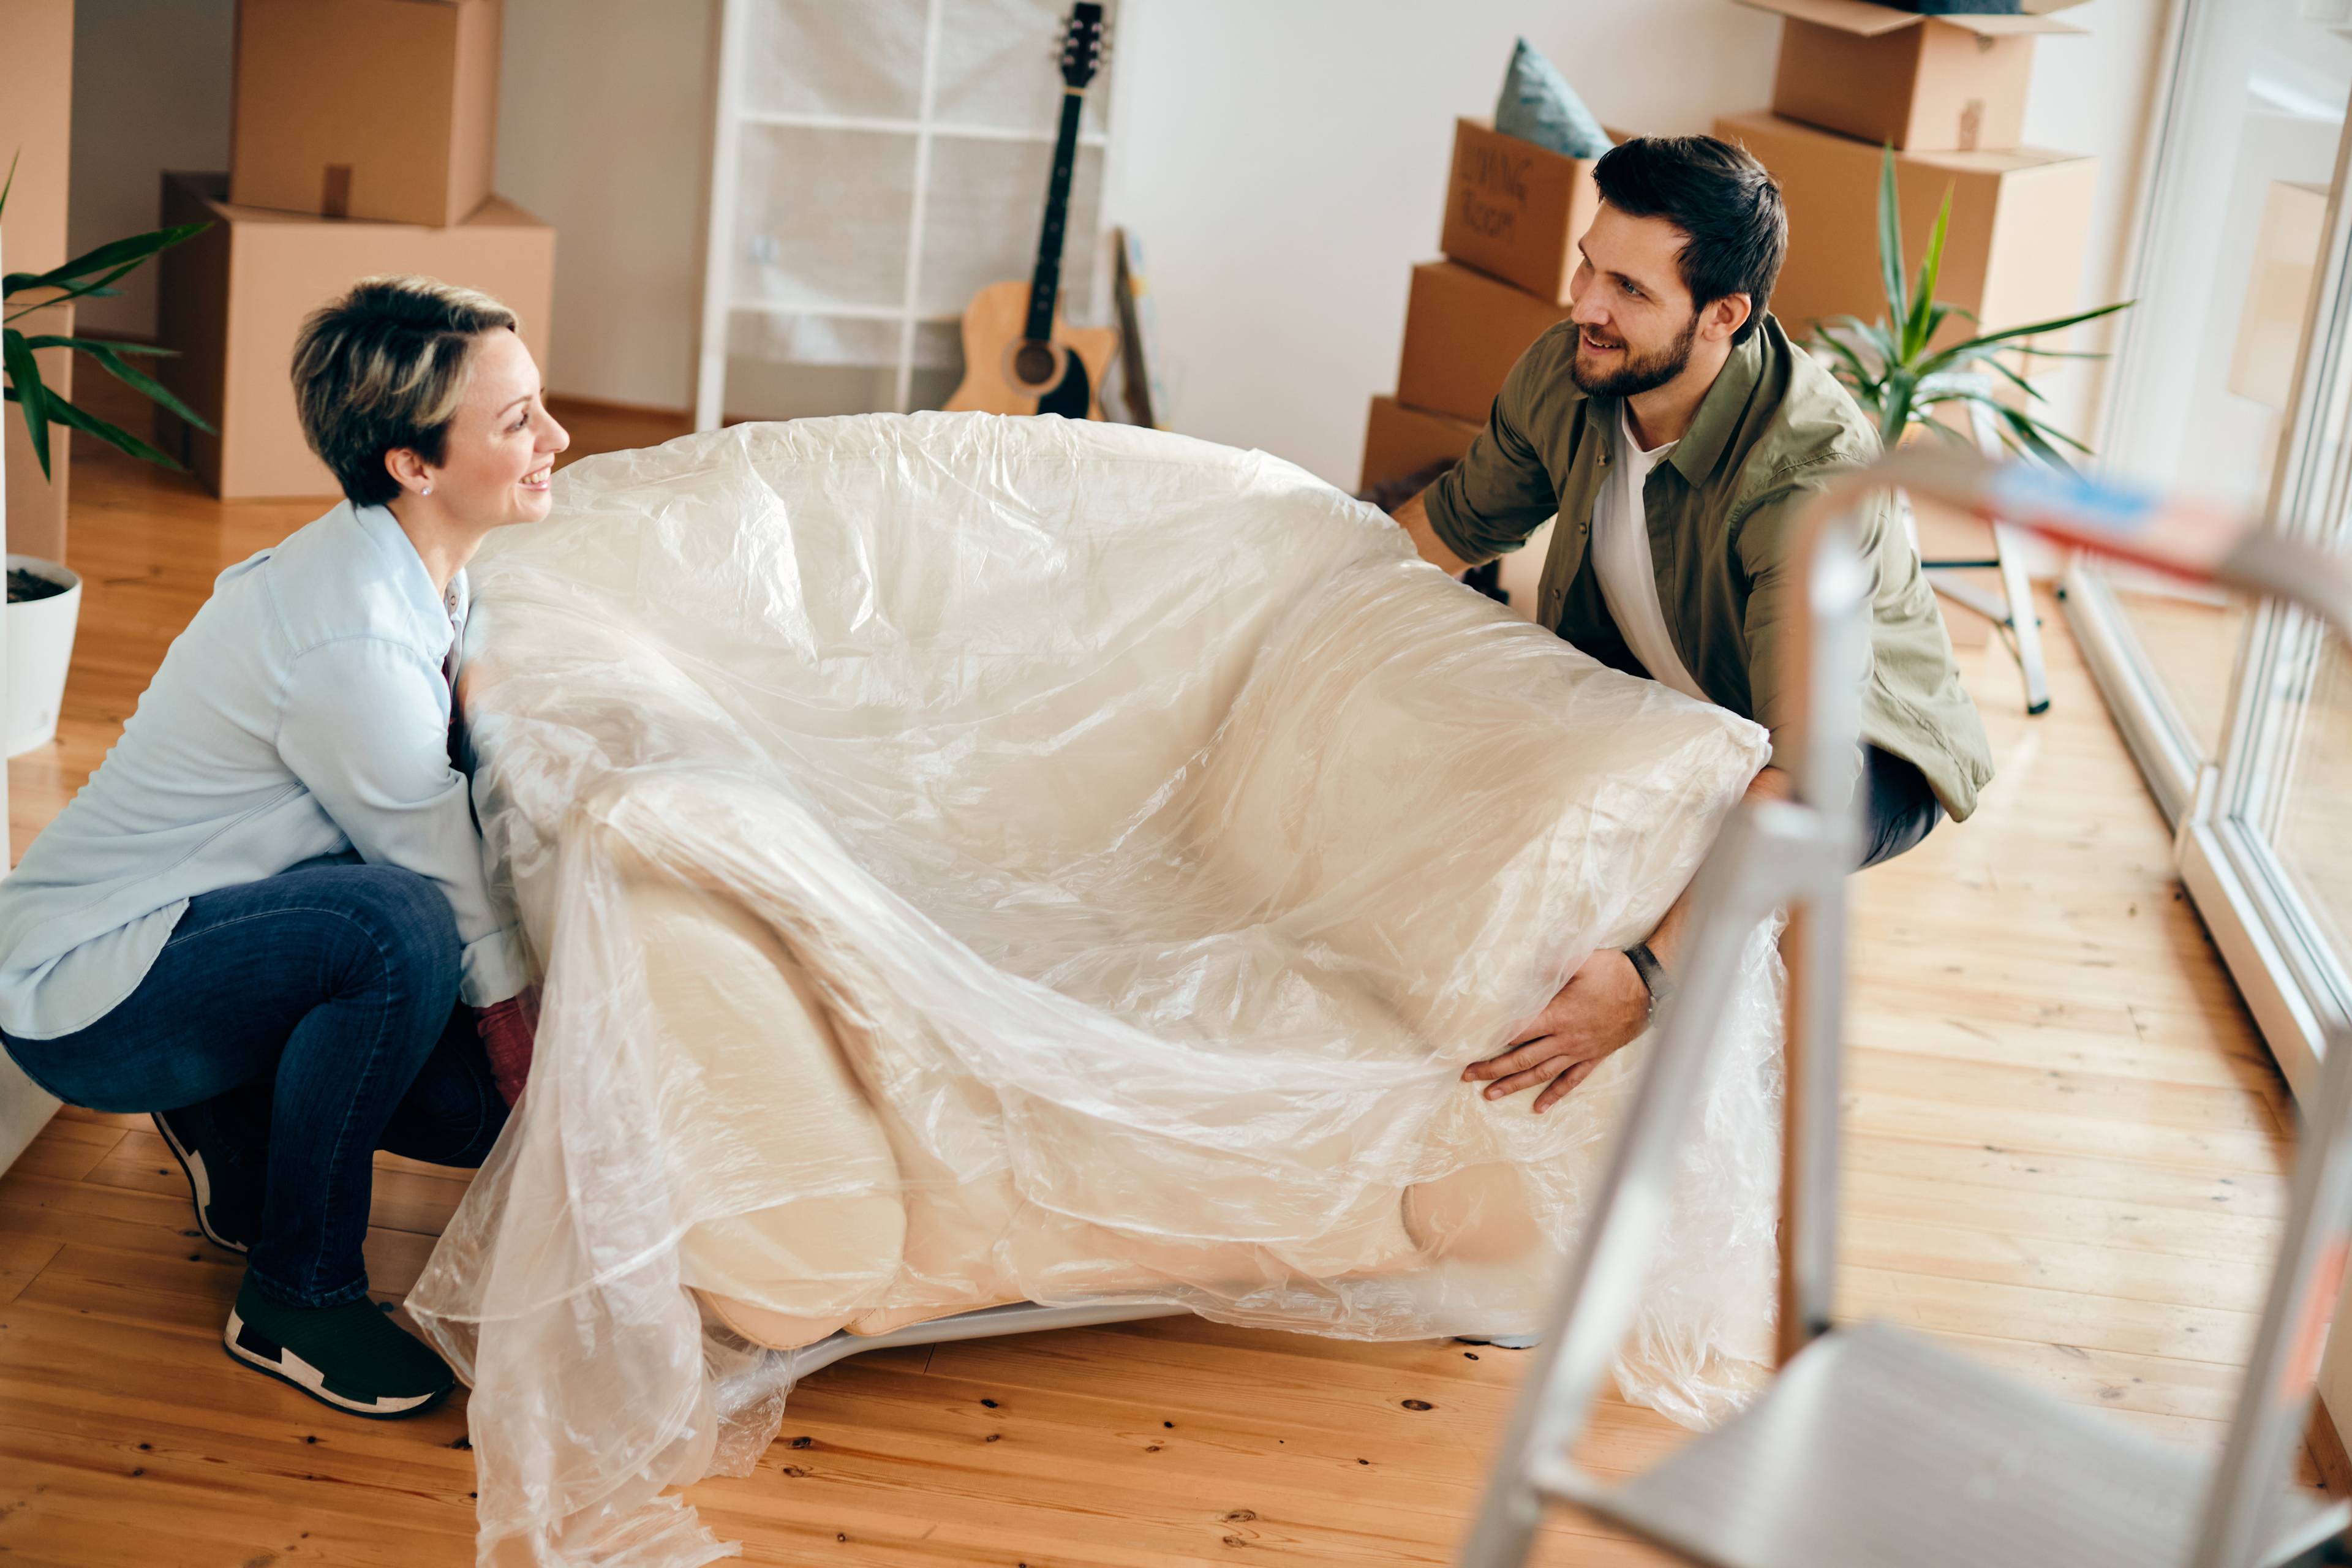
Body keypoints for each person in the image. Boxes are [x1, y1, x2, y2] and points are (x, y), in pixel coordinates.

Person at [0, 275, 568, 1416]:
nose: (557, 437)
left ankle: (234, 1130)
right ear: (413, 464)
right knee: (401, 936)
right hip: (88, 992)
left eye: (538, 402)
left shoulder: (418, 567)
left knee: (453, 1094)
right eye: (516, 422)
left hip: (204, 920)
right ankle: (295, 1301)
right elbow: (445, 887)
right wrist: (537, 1063)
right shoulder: (348, 632)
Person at [1397, 136, 1994, 1116]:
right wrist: (1301, 615)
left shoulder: (1809, 482)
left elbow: (1805, 776)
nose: (1587, 304)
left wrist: (1646, 980)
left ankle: (1737, 1114)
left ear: (1726, 315)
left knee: (1683, 913)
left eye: (1630, 289)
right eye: (1589, 264)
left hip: (1860, 751)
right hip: (1682, 688)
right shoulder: (1573, 370)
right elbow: (1441, 530)